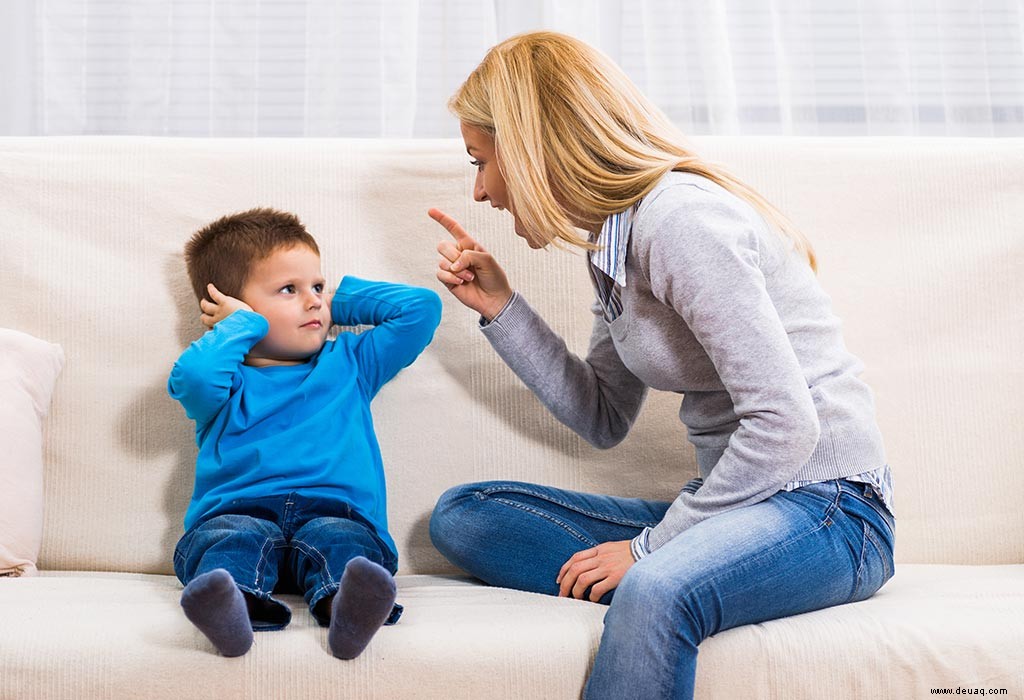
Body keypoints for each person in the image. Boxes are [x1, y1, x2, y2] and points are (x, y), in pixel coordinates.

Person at [427, 31, 895, 699]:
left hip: (829, 511)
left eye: (481, 161)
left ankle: (675, 593)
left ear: (531, 150)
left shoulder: (680, 223)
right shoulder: (612, 245)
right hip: (736, 509)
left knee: (654, 587)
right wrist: (502, 307)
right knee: (466, 516)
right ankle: (702, 579)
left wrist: (649, 552)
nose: (480, 192)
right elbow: (603, 416)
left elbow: (788, 425)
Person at [169, 207, 441, 658]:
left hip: (338, 513)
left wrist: (336, 301)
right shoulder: (227, 381)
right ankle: (232, 612)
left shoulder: (351, 362)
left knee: (341, 540)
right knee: (230, 539)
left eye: (316, 286)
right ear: (231, 308)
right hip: (239, 511)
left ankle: (348, 610)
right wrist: (242, 326)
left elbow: (420, 310)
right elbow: (191, 378)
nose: (313, 300)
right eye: (288, 290)